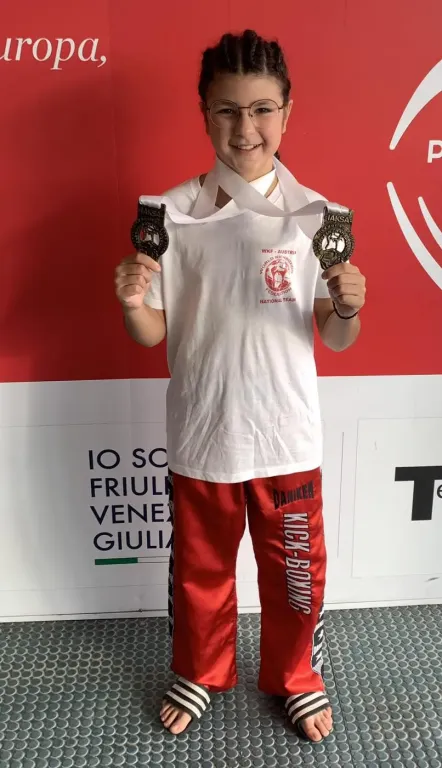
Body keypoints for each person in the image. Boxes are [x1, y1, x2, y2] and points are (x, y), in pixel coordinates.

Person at [114, 29, 366, 742]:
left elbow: (335, 334)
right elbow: (151, 333)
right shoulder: (171, 214)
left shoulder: (318, 215)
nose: (245, 128)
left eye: (261, 109)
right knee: (200, 572)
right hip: (204, 433)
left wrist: (348, 306)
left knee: (296, 575)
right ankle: (200, 669)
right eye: (227, 110)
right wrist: (132, 301)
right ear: (204, 114)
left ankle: (297, 675)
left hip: (287, 435)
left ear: (287, 112)